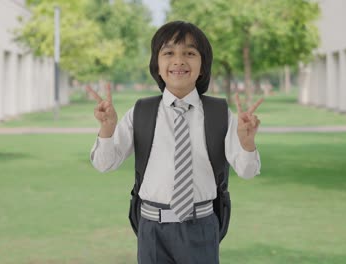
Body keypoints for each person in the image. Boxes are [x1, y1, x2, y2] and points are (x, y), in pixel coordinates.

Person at [89, 21, 263, 264]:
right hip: (152, 229)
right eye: (168, 52)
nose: (179, 60)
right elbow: (104, 164)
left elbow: (247, 171)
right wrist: (107, 129)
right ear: (157, 66)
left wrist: (247, 144)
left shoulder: (219, 113)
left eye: (190, 53)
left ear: (202, 66)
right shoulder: (141, 112)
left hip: (201, 226)